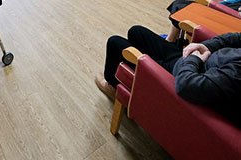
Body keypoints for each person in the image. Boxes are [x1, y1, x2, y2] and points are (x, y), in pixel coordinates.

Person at [96, 25, 241, 127]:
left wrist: (194, 59)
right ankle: (133, 81)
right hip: (186, 61)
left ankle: (113, 84)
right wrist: (207, 47)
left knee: (114, 42)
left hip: (176, 76)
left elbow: (187, 85)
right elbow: (234, 38)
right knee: (136, 32)